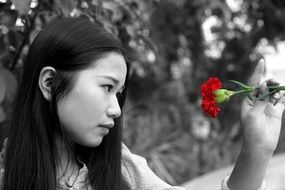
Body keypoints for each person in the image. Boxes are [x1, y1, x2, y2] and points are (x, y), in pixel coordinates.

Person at [0, 17, 284, 190]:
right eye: (107, 87)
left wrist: (257, 149)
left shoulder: (123, 171)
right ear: (49, 83)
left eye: (119, 93)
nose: (116, 109)